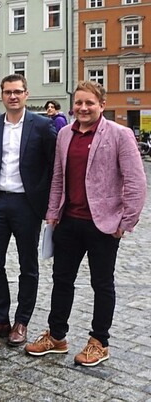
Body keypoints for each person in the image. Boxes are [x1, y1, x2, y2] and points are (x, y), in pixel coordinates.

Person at [25, 81, 146, 366]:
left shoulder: (120, 134)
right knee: (61, 280)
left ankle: (99, 341)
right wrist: (53, 212)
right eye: (79, 103)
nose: (83, 108)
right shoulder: (65, 134)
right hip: (69, 221)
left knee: (102, 283)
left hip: (103, 224)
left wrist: (126, 221)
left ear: (101, 105)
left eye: (89, 103)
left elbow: (136, 181)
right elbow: (58, 177)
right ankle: (56, 336)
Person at [0, 74, 57, 346]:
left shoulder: (42, 126)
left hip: (26, 204)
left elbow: (53, 166)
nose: (12, 96)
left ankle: (22, 320)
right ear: (2, 94)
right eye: (8, 92)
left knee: (27, 265)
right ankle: (0, 318)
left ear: (26, 94)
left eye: (18, 91)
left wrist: (44, 200)